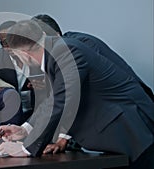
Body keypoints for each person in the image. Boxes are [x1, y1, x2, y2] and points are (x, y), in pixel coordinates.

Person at [0, 20, 154, 169]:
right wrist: (26, 129)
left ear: (24, 54)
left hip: (131, 135)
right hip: (117, 138)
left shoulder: (66, 52)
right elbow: (54, 99)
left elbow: (61, 101)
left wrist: (26, 149)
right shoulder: (58, 51)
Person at [31, 14, 154, 154]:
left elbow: (73, 96)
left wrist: (62, 139)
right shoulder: (63, 53)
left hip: (135, 119)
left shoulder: (76, 46)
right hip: (116, 130)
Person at [0, 21, 44, 122]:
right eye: (5, 42)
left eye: (12, 40)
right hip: (11, 116)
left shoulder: (36, 53)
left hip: (40, 112)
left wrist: (45, 86)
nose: (9, 45)